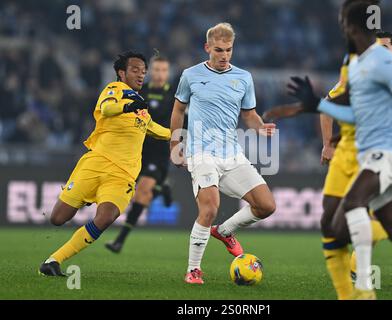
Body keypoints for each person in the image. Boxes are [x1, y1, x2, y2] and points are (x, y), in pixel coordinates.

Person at [288, 1, 392, 299]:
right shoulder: (360, 71)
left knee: (354, 207)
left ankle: (362, 285)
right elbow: (343, 111)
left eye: (385, 47)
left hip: (388, 155)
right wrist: (321, 115)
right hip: (364, 156)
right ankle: (377, 265)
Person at [39, 51, 171, 276]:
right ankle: (85, 199)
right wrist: (128, 106)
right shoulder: (113, 90)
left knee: (106, 217)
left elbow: (157, 130)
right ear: (122, 73)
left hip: (122, 176)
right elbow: (109, 108)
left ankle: (53, 261)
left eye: (144, 72)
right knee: (58, 218)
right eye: (135, 70)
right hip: (95, 164)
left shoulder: (141, 107)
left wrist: (181, 135)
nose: (141, 75)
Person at [170, 22, 277, 284]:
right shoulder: (190, 75)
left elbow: (249, 115)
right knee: (210, 207)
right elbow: (178, 111)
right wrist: (175, 145)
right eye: (218, 50)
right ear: (207, 48)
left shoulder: (243, 78)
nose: (224, 55)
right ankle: (193, 269)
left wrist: (260, 127)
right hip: (200, 152)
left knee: (266, 206)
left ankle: (225, 231)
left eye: (228, 50)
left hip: (231, 154)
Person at [105, 55, 177, 253]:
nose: (160, 74)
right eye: (157, 70)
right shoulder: (139, 92)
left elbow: (180, 124)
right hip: (136, 150)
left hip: (160, 153)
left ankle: (120, 240)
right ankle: (162, 188)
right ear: (150, 71)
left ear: (168, 73)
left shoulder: (175, 96)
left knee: (143, 190)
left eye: (164, 70)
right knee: (132, 192)